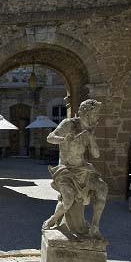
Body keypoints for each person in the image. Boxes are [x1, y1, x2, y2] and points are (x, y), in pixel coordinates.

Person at [41, 99, 108, 238]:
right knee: (68, 199)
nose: (97, 118)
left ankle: (95, 226)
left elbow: (96, 154)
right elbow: (50, 138)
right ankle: (53, 219)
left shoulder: (88, 132)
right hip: (65, 171)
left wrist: (91, 137)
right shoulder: (68, 124)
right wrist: (63, 139)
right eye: (96, 114)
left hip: (83, 169)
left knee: (102, 188)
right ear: (87, 114)